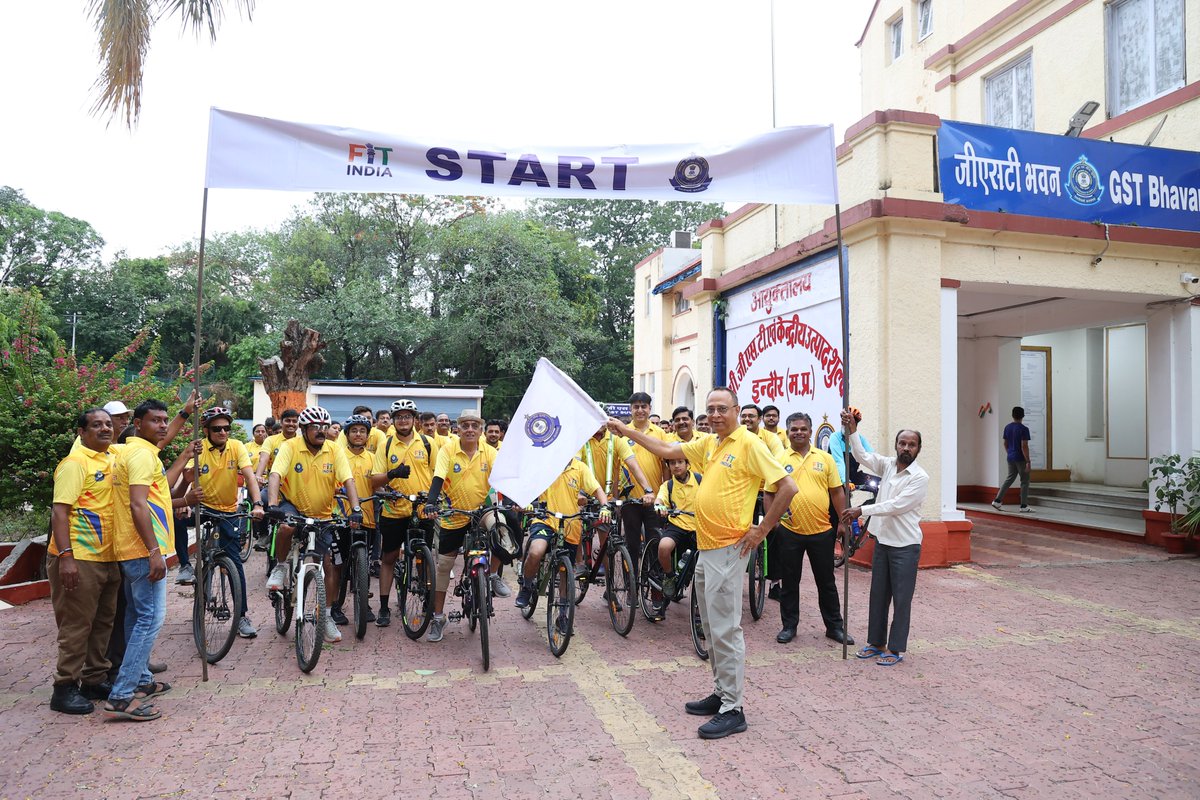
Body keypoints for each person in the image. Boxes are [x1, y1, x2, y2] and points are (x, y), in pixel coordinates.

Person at [609, 387, 796, 740]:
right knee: (710, 626)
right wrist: (625, 430)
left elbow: (787, 487)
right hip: (706, 547)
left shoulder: (749, 444)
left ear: (736, 410)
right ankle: (721, 693)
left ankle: (734, 709)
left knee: (726, 629)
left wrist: (761, 530)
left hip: (729, 548)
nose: (715, 415)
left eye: (722, 409)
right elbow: (666, 449)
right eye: (710, 409)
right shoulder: (710, 443)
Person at [107, 399, 194, 721]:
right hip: (143, 550)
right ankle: (122, 695)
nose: (162, 426)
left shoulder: (132, 451)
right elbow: (138, 504)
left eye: (164, 420)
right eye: (155, 420)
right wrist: (154, 551)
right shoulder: (142, 455)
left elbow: (159, 487)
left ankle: (142, 680)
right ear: (138, 424)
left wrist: (185, 413)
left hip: (131, 549)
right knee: (150, 619)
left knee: (135, 616)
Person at [266, 406, 362, 644]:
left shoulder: (334, 449)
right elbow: (275, 475)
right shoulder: (290, 447)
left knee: (327, 564)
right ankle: (280, 566)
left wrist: (356, 509)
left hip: (322, 514)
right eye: (315, 427)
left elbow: (348, 479)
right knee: (286, 526)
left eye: (324, 427)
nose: (321, 431)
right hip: (292, 505)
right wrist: (273, 504)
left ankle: (326, 616)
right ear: (303, 429)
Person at [840, 409, 929, 667]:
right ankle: (876, 643)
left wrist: (861, 510)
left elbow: (896, 505)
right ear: (896, 444)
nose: (906, 448)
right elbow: (862, 456)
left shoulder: (920, 478)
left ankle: (895, 648)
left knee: (901, 600)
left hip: (905, 547)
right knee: (878, 595)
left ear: (918, 449)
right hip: (883, 543)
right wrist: (853, 431)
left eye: (911, 444)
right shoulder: (888, 465)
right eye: (902, 443)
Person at [48, 408, 122, 715]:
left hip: (108, 555)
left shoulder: (113, 458)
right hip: (79, 555)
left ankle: (94, 679)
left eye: (108, 424)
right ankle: (64, 687)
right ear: (82, 432)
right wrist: (66, 557)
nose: (105, 429)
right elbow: (59, 511)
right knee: (77, 624)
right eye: (96, 425)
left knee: (104, 622)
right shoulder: (75, 463)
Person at [769, 412, 853, 647]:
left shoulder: (825, 459)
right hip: (789, 531)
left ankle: (835, 627)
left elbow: (836, 492)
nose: (799, 432)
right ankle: (789, 626)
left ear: (810, 430)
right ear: (787, 432)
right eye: (794, 429)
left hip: (822, 531)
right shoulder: (778, 459)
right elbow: (769, 493)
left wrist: (843, 522)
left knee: (826, 582)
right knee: (790, 582)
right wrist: (774, 522)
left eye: (803, 429)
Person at [421, 410, 504, 641]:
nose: (470, 429)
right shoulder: (447, 450)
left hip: (482, 511)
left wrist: (514, 502)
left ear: (480, 430)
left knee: (502, 530)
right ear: (458, 429)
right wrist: (431, 503)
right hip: (454, 514)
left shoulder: (490, 451)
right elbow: (438, 478)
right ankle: (438, 618)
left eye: (474, 426)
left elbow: (501, 480)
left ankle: (493, 576)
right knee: (444, 566)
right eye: (465, 425)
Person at [191, 406, 263, 639]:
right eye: (217, 429)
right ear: (206, 430)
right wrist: (183, 502)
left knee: (235, 562)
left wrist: (257, 503)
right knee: (179, 523)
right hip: (203, 508)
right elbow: (187, 476)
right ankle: (186, 568)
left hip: (228, 510)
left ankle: (241, 616)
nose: (223, 432)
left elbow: (249, 476)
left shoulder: (236, 446)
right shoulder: (197, 448)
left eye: (226, 428)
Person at [370, 399, 439, 628]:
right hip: (394, 510)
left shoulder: (428, 443)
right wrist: (392, 474)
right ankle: (383, 607)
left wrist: (434, 500)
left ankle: (427, 600)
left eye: (407, 416)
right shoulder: (386, 444)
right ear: (393, 420)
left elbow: (438, 476)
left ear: (414, 420)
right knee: (389, 557)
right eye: (399, 417)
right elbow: (374, 481)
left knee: (424, 558)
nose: (403, 420)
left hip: (422, 509)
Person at [515, 459, 611, 611]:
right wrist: (524, 501)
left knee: (565, 570)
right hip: (545, 520)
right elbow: (526, 484)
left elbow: (597, 489)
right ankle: (526, 587)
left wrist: (605, 507)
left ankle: (563, 613)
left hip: (571, 524)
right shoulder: (544, 462)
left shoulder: (579, 468)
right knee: (535, 552)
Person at [330, 414, 376, 626]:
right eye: (354, 431)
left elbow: (378, 483)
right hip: (340, 517)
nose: (358, 434)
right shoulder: (337, 455)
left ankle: (363, 603)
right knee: (338, 564)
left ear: (368, 435)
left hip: (367, 517)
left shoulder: (373, 458)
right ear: (346, 434)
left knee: (364, 562)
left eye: (362, 431)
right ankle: (335, 605)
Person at [619, 392, 666, 574]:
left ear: (649, 409)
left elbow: (666, 466)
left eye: (643, 406)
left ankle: (654, 583)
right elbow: (615, 467)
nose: (640, 410)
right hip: (630, 499)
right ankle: (631, 583)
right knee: (631, 544)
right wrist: (615, 497)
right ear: (630, 409)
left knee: (655, 542)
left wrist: (666, 494)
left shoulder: (660, 433)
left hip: (655, 498)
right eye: (636, 407)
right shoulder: (622, 433)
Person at [652, 456, 700, 620]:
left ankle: (700, 610)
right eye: (672, 463)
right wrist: (659, 506)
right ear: (668, 466)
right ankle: (669, 577)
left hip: (698, 527)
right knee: (664, 547)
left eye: (680, 462)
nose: (677, 466)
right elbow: (660, 499)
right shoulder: (668, 485)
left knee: (703, 568)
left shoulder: (700, 480)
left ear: (688, 464)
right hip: (677, 525)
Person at [992, 406, 1033, 513]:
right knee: (1024, 481)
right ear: (1023, 416)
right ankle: (1023, 506)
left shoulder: (1007, 427)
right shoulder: (1024, 429)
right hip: (1021, 459)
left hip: (1010, 457)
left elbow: (1005, 444)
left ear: (1012, 415)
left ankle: (997, 500)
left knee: (1009, 479)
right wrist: (1028, 461)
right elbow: (1024, 446)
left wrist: (1010, 453)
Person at [668, 406, 711, 476]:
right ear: (673, 424)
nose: (681, 422)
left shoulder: (706, 438)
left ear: (693, 422)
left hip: (704, 481)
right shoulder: (667, 440)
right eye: (677, 420)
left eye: (685, 419)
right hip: (677, 482)